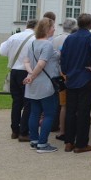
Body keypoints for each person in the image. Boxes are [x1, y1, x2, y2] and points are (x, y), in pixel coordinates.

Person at [60, 13, 91, 153]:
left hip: (71, 78)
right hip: (85, 78)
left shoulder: (70, 38)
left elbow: (63, 56)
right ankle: (81, 143)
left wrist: (65, 71)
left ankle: (69, 141)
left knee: (71, 110)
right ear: (90, 24)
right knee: (83, 112)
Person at [22, 18, 58, 153]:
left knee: (35, 112)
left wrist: (30, 74)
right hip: (44, 83)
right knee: (49, 114)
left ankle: (34, 140)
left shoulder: (32, 43)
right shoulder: (47, 45)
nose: (54, 29)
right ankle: (42, 143)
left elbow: (26, 61)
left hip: (33, 84)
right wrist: (33, 75)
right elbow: (42, 63)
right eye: (53, 27)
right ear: (47, 29)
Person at [0, 19, 36, 141]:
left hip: (14, 71)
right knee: (27, 103)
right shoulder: (35, 38)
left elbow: (2, 51)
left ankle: (14, 130)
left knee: (16, 102)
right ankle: (23, 132)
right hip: (26, 71)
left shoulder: (14, 36)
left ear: (27, 25)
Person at [52, 17, 77, 141]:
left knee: (57, 102)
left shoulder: (55, 38)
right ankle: (65, 128)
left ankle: (55, 125)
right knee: (66, 104)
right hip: (66, 74)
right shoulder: (71, 39)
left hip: (55, 72)